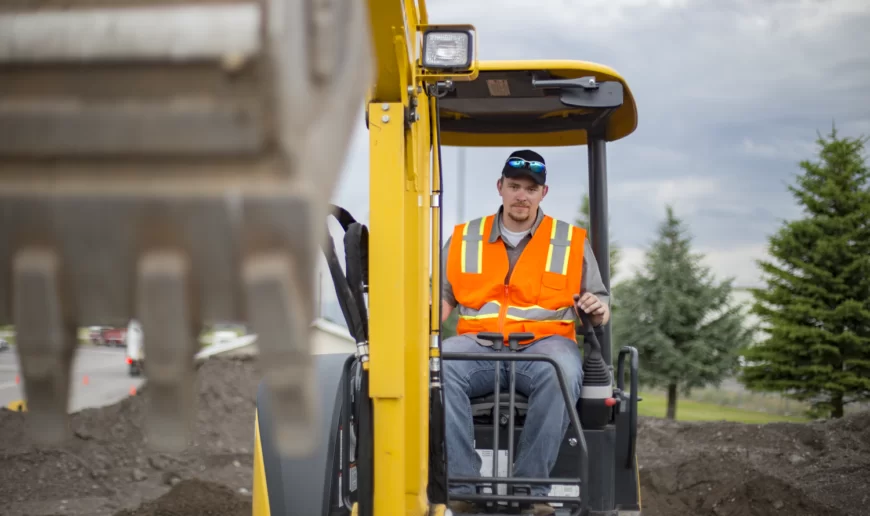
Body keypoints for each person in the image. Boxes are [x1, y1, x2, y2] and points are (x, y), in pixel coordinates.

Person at [440, 149, 611, 516]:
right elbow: (441, 298)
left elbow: (598, 299)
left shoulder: (569, 240)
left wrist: (598, 309)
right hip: (479, 346)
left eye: (530, 189)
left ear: (543, 193)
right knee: (440, 366)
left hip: (546, 347)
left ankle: (532, 491)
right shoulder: (463, 238)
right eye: (514, 186)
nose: (522, 195)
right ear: (500, 187)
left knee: (560, 372)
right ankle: (463, 488)